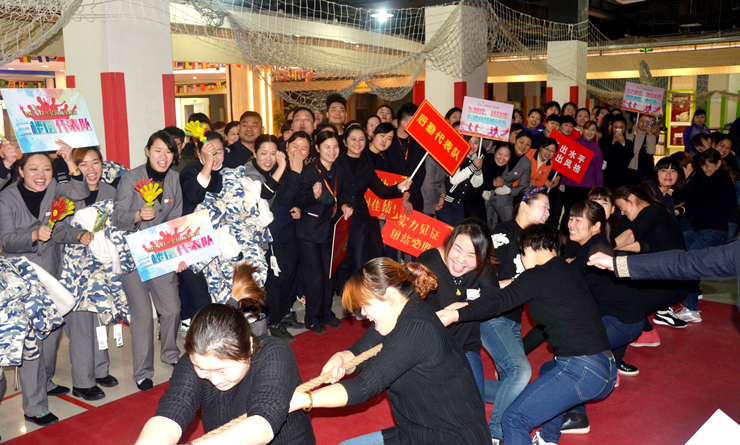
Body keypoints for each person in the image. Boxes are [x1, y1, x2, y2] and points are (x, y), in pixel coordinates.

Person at [438, 224, 615, 445]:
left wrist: (456, 313)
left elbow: (498, 302)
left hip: (582, 370)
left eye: (522, 253)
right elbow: (513, 295)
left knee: (514, 420)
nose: (522, 261)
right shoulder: (565, 270)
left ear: (530, 246)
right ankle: (548, 439)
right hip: (606, 369)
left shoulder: (538, 275)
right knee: (548, 369)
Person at [288, 257, 491, 444]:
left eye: (365, 305)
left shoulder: (417, 329)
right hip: (415, 431)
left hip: (450, 437)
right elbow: (362, 350)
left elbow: (365, 386)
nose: (363, 313)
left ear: (390, 295)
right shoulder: (398, 314)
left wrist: (306, 399)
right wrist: (340, 358)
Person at [135, 270, 316, 444]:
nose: (214, 379)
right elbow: (171, 412)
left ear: (249, 347)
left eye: (223, 370)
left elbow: (262, 425)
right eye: (202, 369)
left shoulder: (274, 353)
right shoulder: (195, 359)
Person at [0, 145, 90, 426]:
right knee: (32, 342)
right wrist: (34, 235)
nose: (41, 174)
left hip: (50, 273)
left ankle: (46, 381)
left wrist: (77, 235)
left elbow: (80, 193)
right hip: (21, 279)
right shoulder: (6, 198)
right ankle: (34, 406)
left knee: (51, 333)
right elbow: (5, 240)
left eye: (47, 169)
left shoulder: (53, 190)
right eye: (33, 169)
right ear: (20, 171)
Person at [112, 130, 184, 391]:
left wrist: (178, 254)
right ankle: (143, 372)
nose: (163, 156)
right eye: (158, 150)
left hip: (160, 252)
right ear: (147, 151)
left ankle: (170, 352)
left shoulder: (174, 179)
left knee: (172, 309)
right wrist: (137, 215)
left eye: (169, 151)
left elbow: (176, 218)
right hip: (133, 255)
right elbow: (117, 216)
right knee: (142, 315)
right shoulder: (131, 178)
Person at [416, 219, 499, 403]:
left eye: (471, 255)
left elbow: (493, 301)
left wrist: (460, 311)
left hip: (465, 347)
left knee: (474, 406)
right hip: (428, 349)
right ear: (449, 242)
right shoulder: (429, 263)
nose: (461, 260)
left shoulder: (482, 266)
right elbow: (403, 303)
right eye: (458, 249)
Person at [62, 146, 120, 401]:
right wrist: (78, 234)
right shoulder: (66, 192)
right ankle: (82, 381)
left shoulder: (110, 192)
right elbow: (56, 229)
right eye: (82, 164)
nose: (90, 169)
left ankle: (100, 369)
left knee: (101, 320)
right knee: (82, 325)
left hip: (103, 265)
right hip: (75, 267)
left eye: (95, 162)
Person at [334, 125, 410, 289]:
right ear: (345, 142)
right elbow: (332, 192)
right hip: (340, 218)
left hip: (360, 218)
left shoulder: (367, 165)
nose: (357, 143)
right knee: (342, 261)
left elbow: (381, 191)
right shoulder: (336, 162)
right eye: (353, 139)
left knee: (360, 260)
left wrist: (399, 187)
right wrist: (342, 204)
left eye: (361, 139)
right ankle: (344, 292)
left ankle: (359, 294)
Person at [613, 184, 689, 343]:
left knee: (623, 303)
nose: (622, 212)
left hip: (672, 281)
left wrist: (604, 248)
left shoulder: (651, 212)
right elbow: (642, 246)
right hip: (670, 279)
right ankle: (649, 328)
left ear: (631, 198)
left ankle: (645, 334)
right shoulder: (654, 216)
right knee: (619, 292)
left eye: (621, 207)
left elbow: (631, 235)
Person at [295, 130, 353, 334]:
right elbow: (300, 200)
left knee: (330, 274)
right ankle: (313, 318)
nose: (332, 151)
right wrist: (314, 195)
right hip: (310, 232)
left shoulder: (338, 169)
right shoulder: (309, 171)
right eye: (327, 146)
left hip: (330, 229)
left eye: (335, 146)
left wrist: (344, 204)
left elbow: (342, 194)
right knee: (315, 277)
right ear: (317, 148)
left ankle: (327, 313)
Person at [674, 149, 739, 322]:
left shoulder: (720, 177)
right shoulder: (705, 178)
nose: (705, 169)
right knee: (676, 247)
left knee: (690, 263)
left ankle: (691, 309)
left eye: (709, 165)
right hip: (701, 230)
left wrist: (681, 209)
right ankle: (683, 296)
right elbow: (693, 199)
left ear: (719, 163)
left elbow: (695, 199)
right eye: (703, 166)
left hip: (714, 231)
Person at [263, 131, 311, 342]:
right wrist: (296, 173)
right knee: (276, 278)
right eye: (295, 146)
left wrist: (300, 206)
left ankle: (284, 313)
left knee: (290, 275)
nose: (298, 151)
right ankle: (274, 321)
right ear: (287, 146)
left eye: (304, 148)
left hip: (291, 230)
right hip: (274, 230)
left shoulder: (303, 168)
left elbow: (299, 198)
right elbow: (281, 199)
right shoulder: (277, 165)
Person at [178, 131, 225, 330]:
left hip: (219, 247)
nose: (215, 157)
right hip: (190, 245)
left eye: (219, 152)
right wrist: (207, 165)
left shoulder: (226, 174)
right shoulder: (190, 171)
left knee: (219, 300)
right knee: (201, 301)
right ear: (198, 152)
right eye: (209, 152)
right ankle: (201, 345)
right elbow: (195, 196)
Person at [559, 120, 603, 233]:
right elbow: (566, 164)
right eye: (587, 129)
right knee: (569, 211)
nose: (589, 132)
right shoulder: (574, 143)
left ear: (596, 132)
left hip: (588, 186)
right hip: (571, 184)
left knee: (583, 213)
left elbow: (598, 170)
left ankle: (580, 235)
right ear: (583, 130)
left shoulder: (597, 149)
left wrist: (599, 187)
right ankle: (564, 235)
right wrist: (562, 182)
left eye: (593, 130)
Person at [483, 132, 532, 231]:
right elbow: (484, 166)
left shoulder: (526, 163)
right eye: (521, 142)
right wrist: (487, 185)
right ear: (515, 140)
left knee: (512, 224)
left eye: (528, 144)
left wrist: (509, 190)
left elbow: (523, 187)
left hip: (504, 197)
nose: (523, 146)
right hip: (486, 193)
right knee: (484, 223)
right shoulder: (502, 149)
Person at [436, 136, 483, 226]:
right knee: (447, 229)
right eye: (469, 141)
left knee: (459, 230)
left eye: (476, 142)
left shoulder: (476, 159)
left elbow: (476, 184)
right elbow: (454, 179)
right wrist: (473, 167)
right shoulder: (456, 154)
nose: (472, 145)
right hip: (446, 201)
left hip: (459, 203)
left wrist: (478, 170)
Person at [600, 115, 634, 190]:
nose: (618, 129)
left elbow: (629, 156)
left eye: (621, 127)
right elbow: (604, 155)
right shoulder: (605, 139)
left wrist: (623, 143)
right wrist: (613, 142)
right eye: (616, 127)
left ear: (625, 128)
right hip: (607, 176)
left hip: (623, 177)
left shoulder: (628, 142)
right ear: (612, 128)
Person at [625, 114, 658, 184]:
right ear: (635, 120)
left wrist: (650, 133)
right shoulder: (628, 132)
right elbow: (626, 148)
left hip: (644, 169)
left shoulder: (651, 135)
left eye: (647, 121)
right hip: (628, 167)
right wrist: (632, 132)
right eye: (641, 121)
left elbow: (650, 151)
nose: (644, 124)